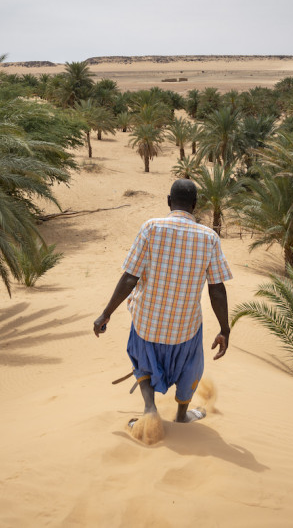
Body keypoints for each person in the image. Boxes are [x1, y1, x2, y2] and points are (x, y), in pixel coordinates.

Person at [93, 179, 232, 425]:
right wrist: (224, 329)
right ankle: (181, 415)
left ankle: (149, 410)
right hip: (185, 327)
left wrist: (106, 313)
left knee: (141, 358)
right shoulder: (209, 237)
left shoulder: (151, 228)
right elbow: (217, 289)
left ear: (169, 201)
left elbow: (129, 278)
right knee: (191, 366)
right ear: (195, 205)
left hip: (148, 323)